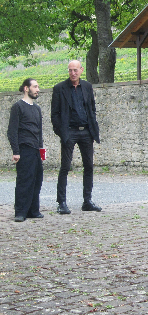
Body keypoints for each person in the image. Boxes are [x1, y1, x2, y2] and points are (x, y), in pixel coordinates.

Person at [51, 60, 102, 214]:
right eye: (70, 70)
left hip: (86, 131)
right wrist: (62, 132)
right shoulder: (59, 88)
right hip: (69, 131)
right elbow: (54, 114)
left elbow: (92, 108)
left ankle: (87, 201)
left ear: (81, 70)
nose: (73, 73)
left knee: (89, 166)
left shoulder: (87, 86)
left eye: (75, 70)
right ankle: (62, 202)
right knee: (65, 167)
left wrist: (92, 128)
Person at [7, 78, 44, 222]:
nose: (38, 89)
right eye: (35, 87)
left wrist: (42, 151)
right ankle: (20, 212)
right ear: (26, 88)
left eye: (38, 87)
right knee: (24, 180)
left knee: (37, 180)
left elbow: (39, 131)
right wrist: (16, 151)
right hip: (24, 148)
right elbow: (12, 131)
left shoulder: (37, 108)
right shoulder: (18, 107)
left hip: (35, 149)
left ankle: (33, 210)